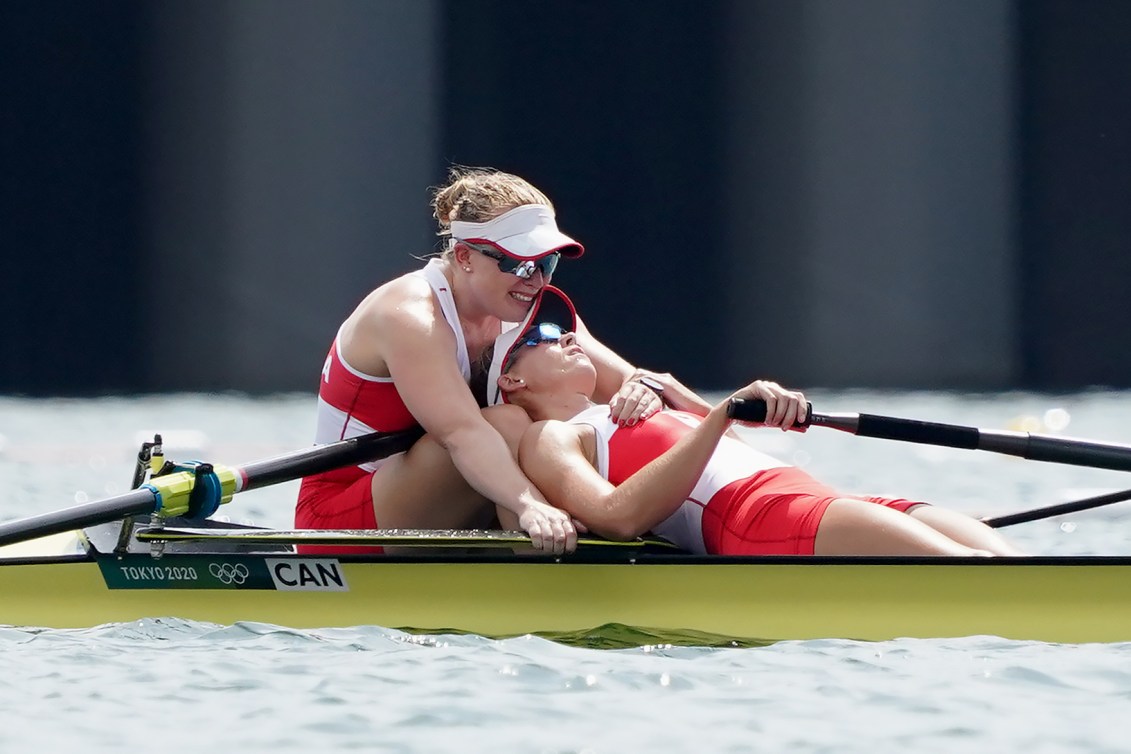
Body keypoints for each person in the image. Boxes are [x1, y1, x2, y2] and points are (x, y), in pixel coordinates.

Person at [295, 167, 677, 555]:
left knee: (562, 419)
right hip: (339, 521)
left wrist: (643, 392)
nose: (537, 281)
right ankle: (540, 566)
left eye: (547, 264)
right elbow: (463, 435)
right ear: (464, 257)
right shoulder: (409, 314)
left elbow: (631, 379)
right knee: (510, 422)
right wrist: (529, 505)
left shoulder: (529, 305)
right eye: (521, 265)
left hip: (465, 488)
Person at [492, 298, 1026, 557]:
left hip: (820, 498)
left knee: (1018, 565)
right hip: (758, 519)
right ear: (511, 378)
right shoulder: (550, 439)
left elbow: (732, 453)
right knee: (985, 576)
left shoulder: (633, 405)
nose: (566, 337)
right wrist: (723, 412)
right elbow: (618, 518)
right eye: (541, 335)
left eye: (567, 331)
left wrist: (695, 406)